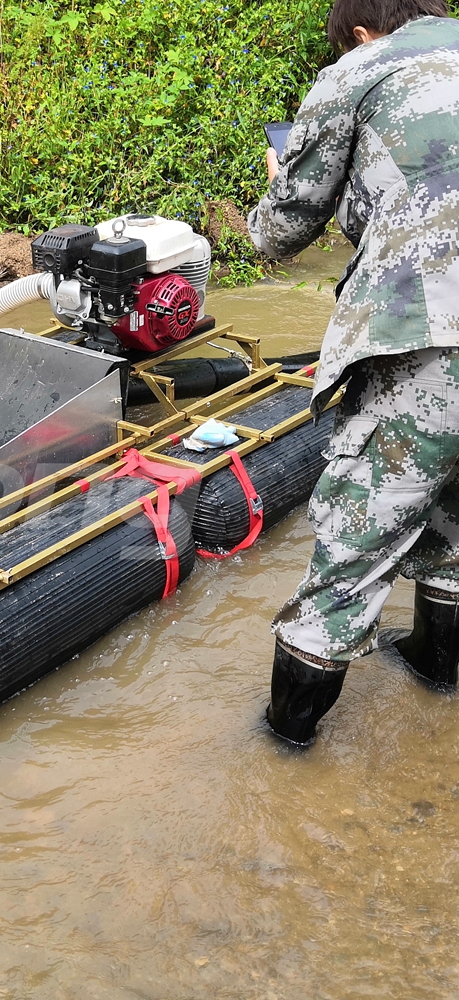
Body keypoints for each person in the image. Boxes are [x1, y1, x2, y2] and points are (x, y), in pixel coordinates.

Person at [246, 0, 459, 745]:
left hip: (432, 331)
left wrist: (279, 181)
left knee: (349, 551)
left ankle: (281, 754)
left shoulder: (362, 68)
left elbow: (283, 228)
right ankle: (439, 674)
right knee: (456, 520)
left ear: (362, 30)